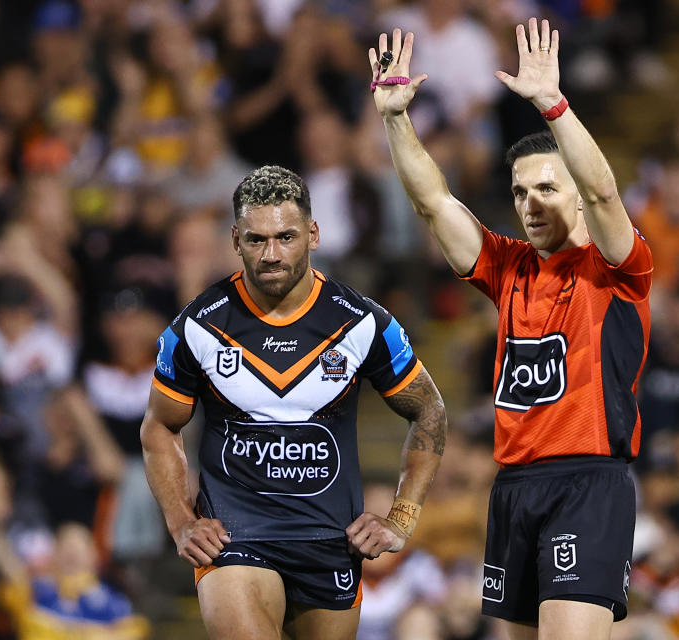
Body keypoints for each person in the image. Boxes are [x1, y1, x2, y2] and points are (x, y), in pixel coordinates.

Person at [372, 18, 652, 640]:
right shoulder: (507, 267)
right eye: (521, 191)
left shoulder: (616, 267)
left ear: (575, 196)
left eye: (548, 188)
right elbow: (434, 203)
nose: (531, 202)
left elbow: (606, 196)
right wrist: (395, 119)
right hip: (515, 486)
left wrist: (553, 105)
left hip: (587, 481)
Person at [140, 165, 448, 640]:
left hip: (329, 542)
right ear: (235, 240)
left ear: (313, 234)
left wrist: (401, 518)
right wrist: (181, 520)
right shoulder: (197, 327)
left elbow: (429, 409)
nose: (271, 254)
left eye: (285, 237)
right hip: (236, 538)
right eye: (257, 240)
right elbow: (160, 427)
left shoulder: (362, 323)